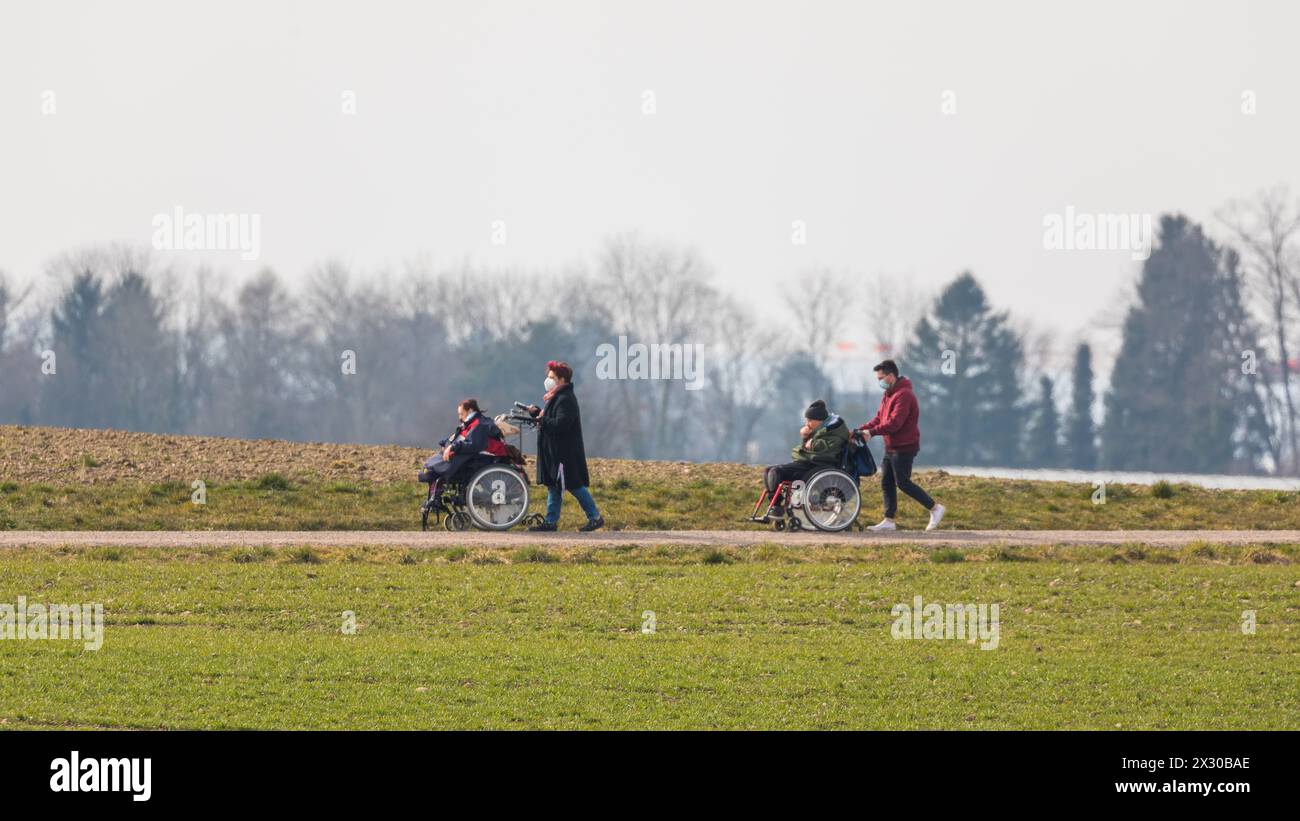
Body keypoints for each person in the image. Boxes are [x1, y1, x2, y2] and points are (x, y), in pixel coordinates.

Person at [856, 359, 946, 531]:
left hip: (904, 446)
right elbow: (879, 419)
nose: (879, 382)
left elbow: (895, 423)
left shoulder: (904, 395)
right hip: (890, 446)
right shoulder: (888, 395)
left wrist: (872, 433)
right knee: (886, 482)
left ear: (891, 376)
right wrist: (860, 430)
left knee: (903, 482)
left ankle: (935, 508)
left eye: (881, 378)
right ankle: (889, 521)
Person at [524, 360, 605, 532]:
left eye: (552, 377)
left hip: (564, 454)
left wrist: (541, 418)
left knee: (574, 485)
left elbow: (561, 424)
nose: (548, 380)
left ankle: (595, 517)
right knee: (554, 486)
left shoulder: (565, 399)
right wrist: (538, 413)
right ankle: (551, 521)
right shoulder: (557, 397)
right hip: (556, 452)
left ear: (562, 380)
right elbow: (550, 419)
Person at [762, 399, 850, 520]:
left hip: (818, 465)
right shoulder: (821, 429)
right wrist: (806, 437)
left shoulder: (836, 431)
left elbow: (827, 448)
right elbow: (807, 447)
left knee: (775, 472)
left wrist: (812, 441)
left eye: (810, 420)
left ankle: (776, 507)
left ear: (819, 420)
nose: (807, 423)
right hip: (809, 462)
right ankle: (775, 505)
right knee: (768, 471)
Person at [419, 398, 509, 482]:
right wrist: (447, 444)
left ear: (470, 411)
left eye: (461, 414)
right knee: (434, 463)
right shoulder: (472, 422)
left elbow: (473, 444)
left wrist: (452, 447)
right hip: (478, 452)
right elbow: (461, 438)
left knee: (438, 466)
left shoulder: (479, 424)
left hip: (486, 456)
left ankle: (436, 488)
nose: (460, 417)